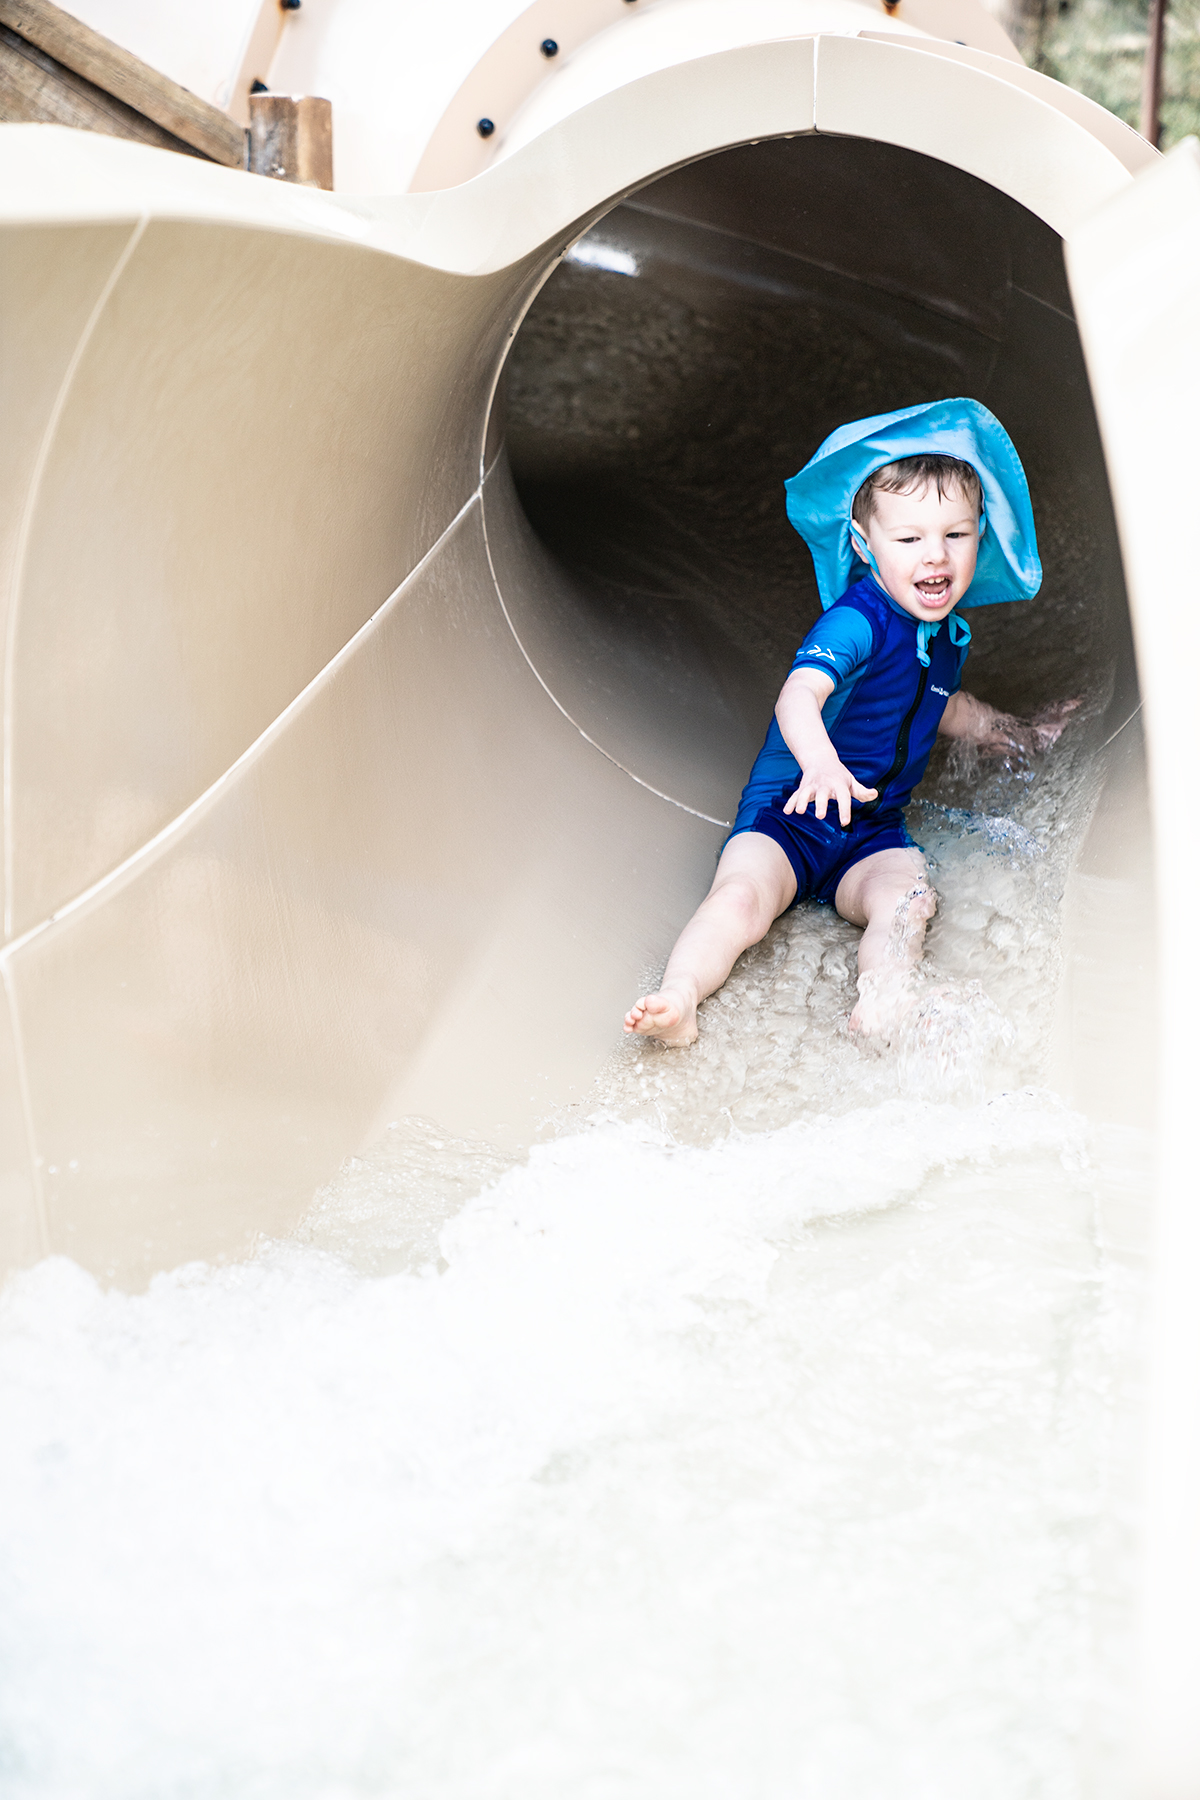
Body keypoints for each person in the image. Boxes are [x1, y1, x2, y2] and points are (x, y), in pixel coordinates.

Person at [624, 397, 1074, 1045]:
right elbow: (797, 698)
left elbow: (938, 702)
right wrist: (822, 763)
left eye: (955, 535)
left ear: (980, 533)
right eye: (910, 538)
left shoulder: (946, 635)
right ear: (865, 546)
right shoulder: (856, 619)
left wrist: (1014, 733)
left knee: (908, 902)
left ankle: (882, 997)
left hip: (870, 831)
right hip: (788, 817)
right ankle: (680, 997)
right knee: (739, 901)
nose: (936, 557)